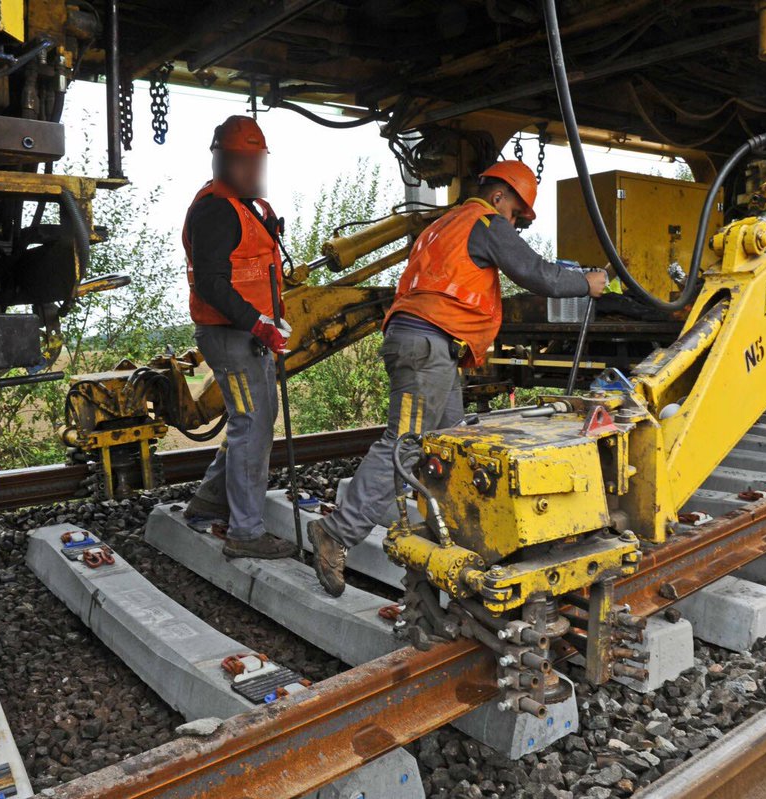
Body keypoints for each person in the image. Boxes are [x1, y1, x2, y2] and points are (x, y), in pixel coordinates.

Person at [306, 160, 608, 595]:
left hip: (429, 345)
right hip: (424, 345)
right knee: (405, 444)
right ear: (500, 196)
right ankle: (337, 532)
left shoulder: (443, 224)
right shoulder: (484, 221)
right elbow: (538, 274)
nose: (515, 225)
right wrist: (587, 282)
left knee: (446, 442)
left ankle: (448, 536)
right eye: (517, 214)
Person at [180, 115, 298, 559]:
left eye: (256, 162)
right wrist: (258, 323)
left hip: (247, 333)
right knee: (252, 427)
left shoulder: (248, 207)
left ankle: (208, 503)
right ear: (220, 161)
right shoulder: (215, 210)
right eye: (240, 162)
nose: (251, 171)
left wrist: (267, 322)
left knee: (255, 422)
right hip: (232, 336)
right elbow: (212, 283)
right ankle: (246, 533)